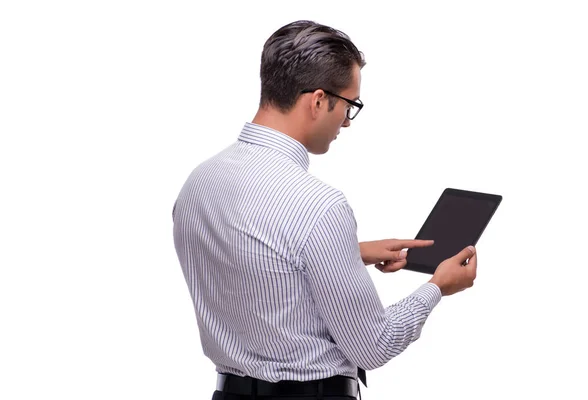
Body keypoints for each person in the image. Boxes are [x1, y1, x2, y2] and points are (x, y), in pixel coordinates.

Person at [172, 20, 477, 400]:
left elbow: (253, 263)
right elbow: (374, 345)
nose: (347, 122)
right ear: (318, 101)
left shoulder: (199, 182)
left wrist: (349, 252)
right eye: (349, 105)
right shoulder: (319, 207)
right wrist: (437, 287)